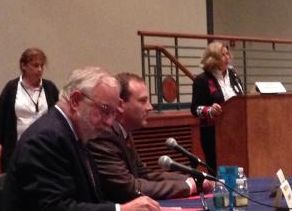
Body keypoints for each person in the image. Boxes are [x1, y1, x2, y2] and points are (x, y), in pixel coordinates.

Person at [1, 67, 161, 211]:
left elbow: (88, 199)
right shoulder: (46, 139)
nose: (109, 122)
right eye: (105, 111)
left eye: (114, 113)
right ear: (76, 100)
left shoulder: (72, 134)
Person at [87, 72, 212, 203]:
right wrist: (189, 186)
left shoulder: (123, 131)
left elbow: (144, 174)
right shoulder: (104, 134)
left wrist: (193, 179)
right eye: (142, 101)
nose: (150, 107)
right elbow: (128, 188)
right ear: (120, 105)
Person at [0, 48, 59, 172]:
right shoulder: (11, 87)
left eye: (41, 66)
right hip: (16, 146)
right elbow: (0, 116)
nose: (39, 69)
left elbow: (58, 115)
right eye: (35, 65)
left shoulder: (50, 88)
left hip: (45, 147)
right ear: (23, 66)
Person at [191, 41, 244, 173]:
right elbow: (195, 108)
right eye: (222, 55)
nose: (227, 57)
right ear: (212, 58)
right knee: (217, 171)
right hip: (213, 133)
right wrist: (210, 110)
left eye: (227, 54)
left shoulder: (233, 76)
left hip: (236, 131)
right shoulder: (202, 80)